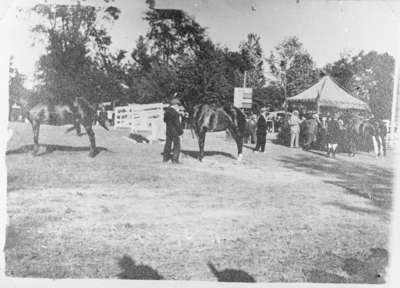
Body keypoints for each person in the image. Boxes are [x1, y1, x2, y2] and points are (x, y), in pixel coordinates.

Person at [163, 98, 183, 163]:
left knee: (168, 144)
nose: (178, 106)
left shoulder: (166, 112)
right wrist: (181, 131)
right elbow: (177, 124)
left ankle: (165, 159)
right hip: (175, 132)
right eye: (177, 105)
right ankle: (175, 159)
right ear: (175, 105)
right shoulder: (175, 113)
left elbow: (164, 120)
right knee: (177, 145)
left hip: (168, 130)